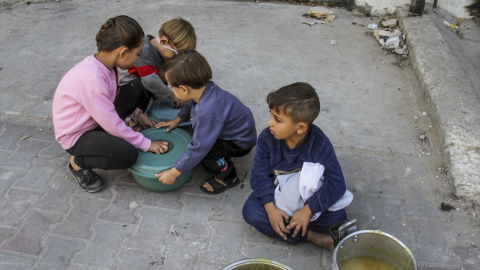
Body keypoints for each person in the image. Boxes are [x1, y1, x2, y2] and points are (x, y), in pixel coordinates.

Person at [52, 15, 169, 193]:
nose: (138, 58)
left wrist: (137, 114)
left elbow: (114, 97)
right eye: (137, 54)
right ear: (122, 52)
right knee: (127, 154)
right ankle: (77, 163)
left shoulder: (106, 65)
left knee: (136, 88)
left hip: (94, 118)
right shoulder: (92, 78)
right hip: (76, 135)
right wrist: (145, 143)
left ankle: (119, 135)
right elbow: (111, 123)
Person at [242, 82, 349, 252]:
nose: (270, 122)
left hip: (307, 200)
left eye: (278, 119)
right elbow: (259, 176)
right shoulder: (266, 139)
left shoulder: (319, 144)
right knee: (251, 212)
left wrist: (308, 211)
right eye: (271, 115)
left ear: (300, 128)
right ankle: (312, 237)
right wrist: (271, 211)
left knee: (338, 216)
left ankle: (298, 225)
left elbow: (336, 184)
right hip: (279, 198)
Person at [154, 51, 257, 194]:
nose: (171, 89)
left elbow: (199, 147)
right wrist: (176, 120)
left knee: (206, 152)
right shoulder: (204, 89)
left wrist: (174, 172)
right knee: (202, 142)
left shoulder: (206, 112)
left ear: (183, 89)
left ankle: (228, 176)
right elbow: (190, 104)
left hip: (240, 143)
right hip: (243, 130)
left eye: (172, 87)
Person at [118, 17, 197, 130]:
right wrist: (172, 96)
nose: (177, 58)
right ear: (164, 42)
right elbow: (149, 80)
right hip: (128, 87)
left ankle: (154, 98)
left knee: (166, 73)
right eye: (176, 54)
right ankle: (132, 120)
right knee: (143, 89)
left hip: (148, 80)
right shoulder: (145, 51)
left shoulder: (162, 50)